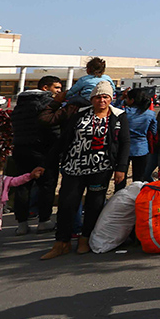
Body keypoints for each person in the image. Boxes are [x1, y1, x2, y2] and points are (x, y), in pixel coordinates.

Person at [39, 80, 130, 259]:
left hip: (101, 168)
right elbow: (64, 139)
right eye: (97, 97)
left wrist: (121, 168)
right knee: (67, 204)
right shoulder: (80, 113)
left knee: (94, 205)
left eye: (105, 97)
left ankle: (85, 239)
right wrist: (47, 162)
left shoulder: (119, 116)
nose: (101, 100)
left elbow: (124, 143)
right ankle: (61, 242)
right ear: (92, 98)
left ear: (111, 98)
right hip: (75, 167)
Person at [10, 75, 63, 236]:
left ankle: (22, 223)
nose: (59, 92)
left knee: (23, 186)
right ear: (45, 88)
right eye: (57, 88)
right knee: (46, 185)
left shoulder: (20, 104)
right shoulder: (47, 104)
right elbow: (53, 129)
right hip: (42, 151)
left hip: (20, 149)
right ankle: (44, 221)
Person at [121, 87, 158, 188]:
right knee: (139, 179)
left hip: (124, 148)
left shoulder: (124, 112)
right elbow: (154, 131)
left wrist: (120, 98)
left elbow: (112, 108)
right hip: (142, 147)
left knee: (121, 177)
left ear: (132, 100)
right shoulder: (150, 114)